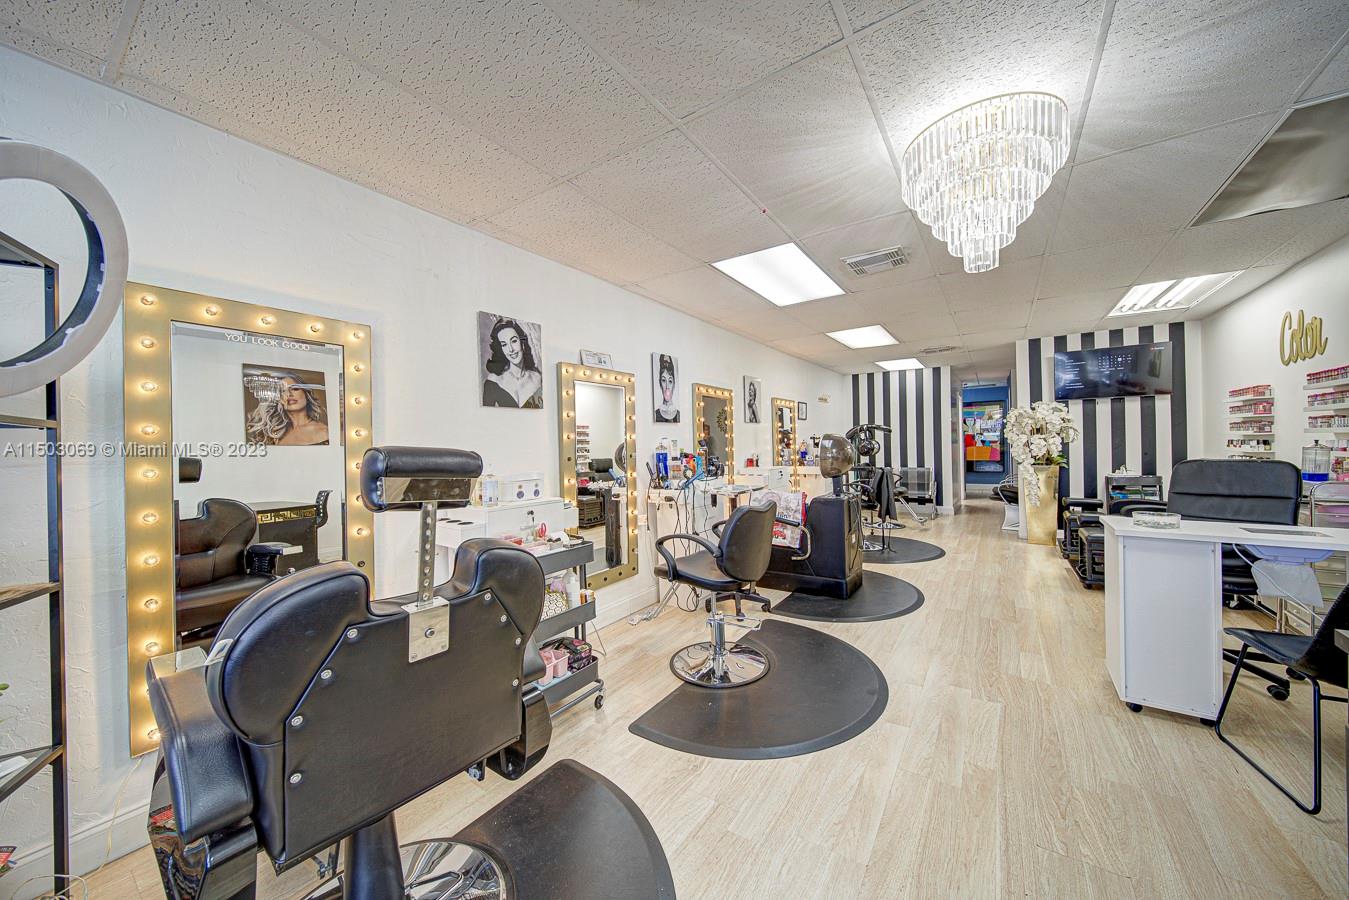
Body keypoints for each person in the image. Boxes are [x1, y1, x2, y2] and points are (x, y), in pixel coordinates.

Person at [246, 372, 329, 446]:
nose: (289, 394)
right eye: (283, 390)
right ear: (278, 398)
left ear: (306, 394)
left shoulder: (325, 432)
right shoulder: (273, 434)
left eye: (295, 389)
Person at [482, 317, 542, 408]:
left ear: (522, 343)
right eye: (504, 344)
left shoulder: (537, 378)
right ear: (501, 349)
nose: (511, 349)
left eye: (514, 341)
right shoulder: (493, 382)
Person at [654, 354, 679, 422]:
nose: (667, 387)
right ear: (660, 383)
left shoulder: (678, 414)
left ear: (674, 384)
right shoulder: (656, 414)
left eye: (670, 381)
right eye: (664, 380)